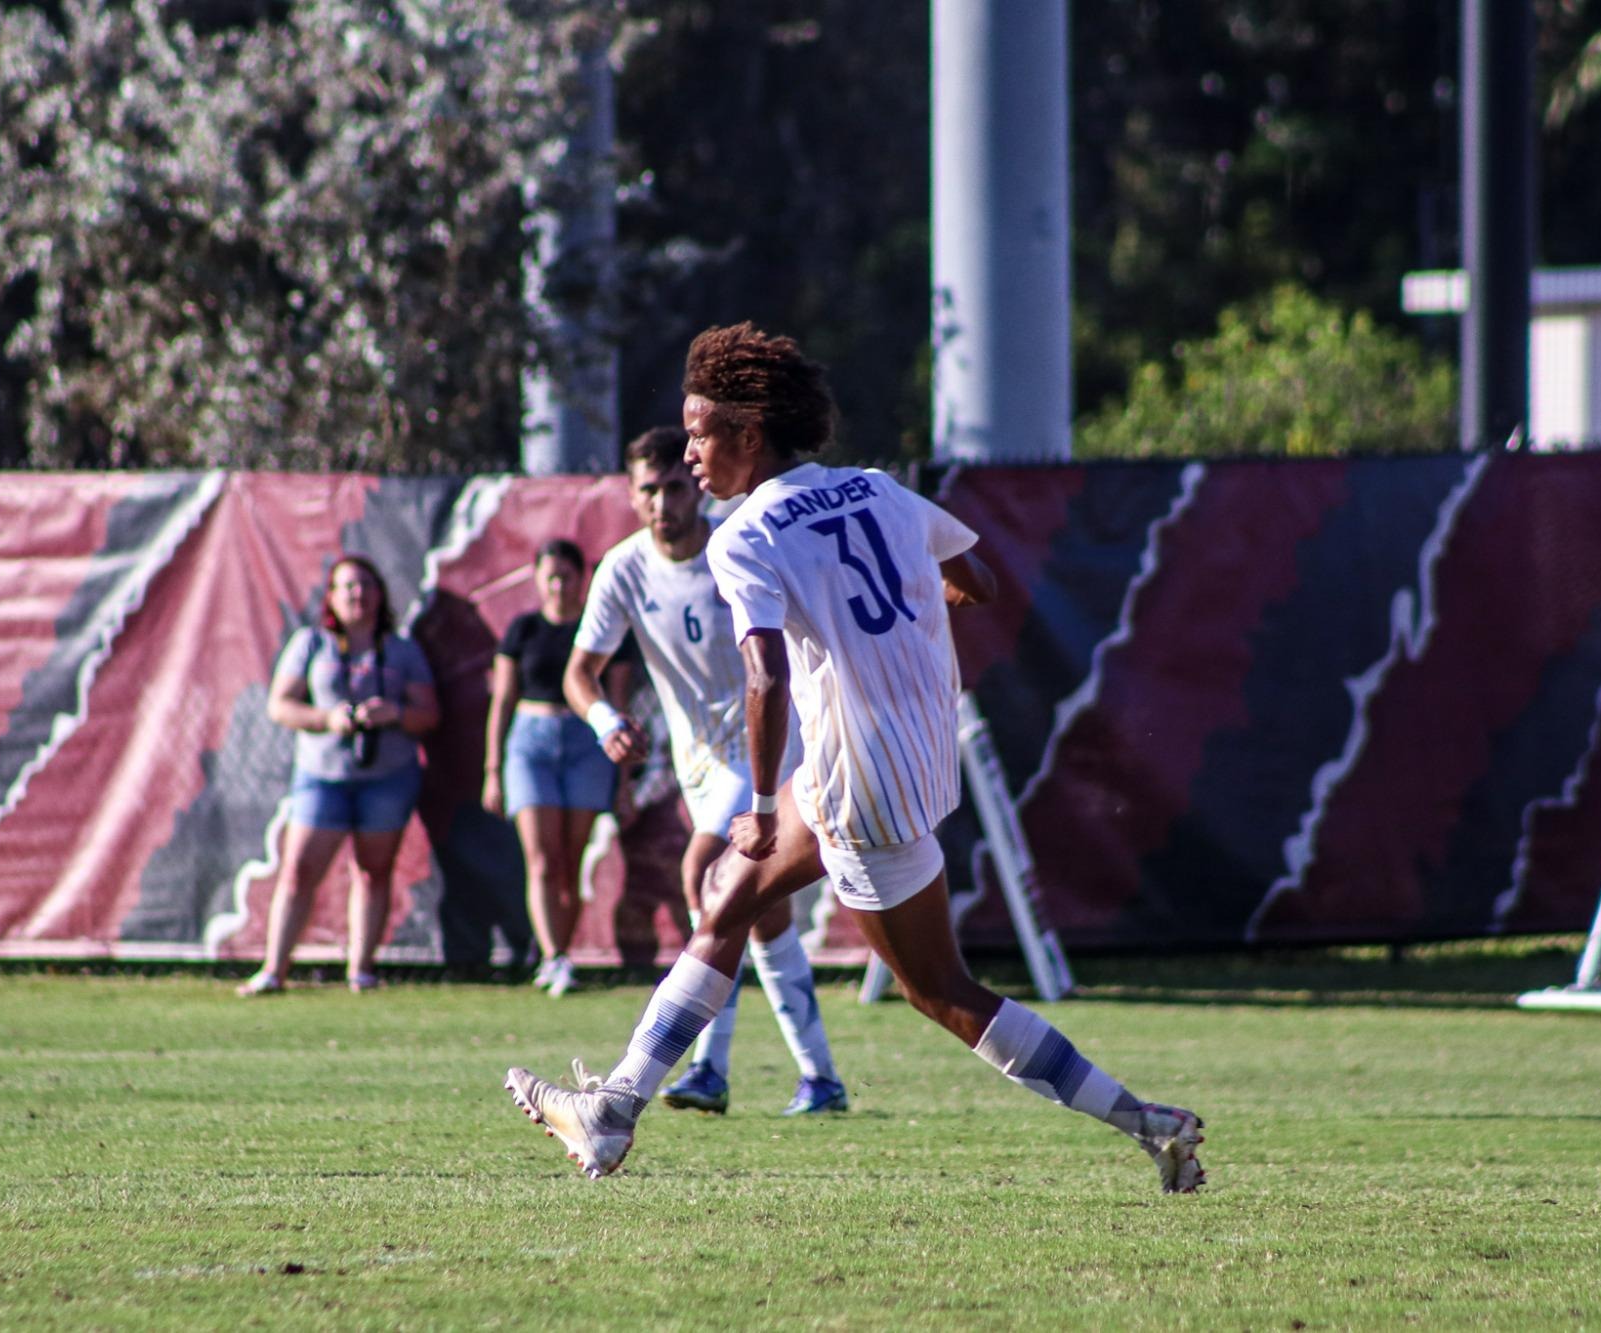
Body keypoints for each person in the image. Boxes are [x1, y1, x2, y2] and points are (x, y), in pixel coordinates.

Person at [505, 323, 1206, 1192]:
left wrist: (759, 803)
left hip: (853, 784)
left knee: (941, 990)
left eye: (698, 431)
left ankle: (1149, 1123)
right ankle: (613, 1109)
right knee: (726, 895)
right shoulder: (879, 488)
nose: (688, 453)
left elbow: (763, 671)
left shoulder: (742, 535)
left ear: (748, 435)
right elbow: (978, 579)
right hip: (910, 757)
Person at [563, 424, 847, 1116]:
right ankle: (820, 1077)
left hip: (771, 746)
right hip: (699, 765)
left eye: (675, 487)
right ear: (632, 498)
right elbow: (581, 673)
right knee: (762, 909)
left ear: (696, 487)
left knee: (706, 874)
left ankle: (709, 1068)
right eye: (649, 491)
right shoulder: (624, 569)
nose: (664, 503)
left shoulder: (735, 542)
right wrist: (606, 721)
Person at [240, 555, 440, 996]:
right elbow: (280, 705)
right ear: (331, 595)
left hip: (387, 777)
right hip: (322, 776)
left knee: (373, 871)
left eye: (366, 586)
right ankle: (274, 970)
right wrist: (329, 718)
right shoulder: (311, 644)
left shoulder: (402, 649)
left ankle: (361, 970)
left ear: (380, 594)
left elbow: (429, 714)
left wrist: (395, 713)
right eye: (347, 587)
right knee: (298, 871)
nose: (358, 595)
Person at [484, 538, 632, 997]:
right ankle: (551, 955)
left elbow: (620, 703)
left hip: (588, 742)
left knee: (571, 859)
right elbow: (503, 701)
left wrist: (623, 783)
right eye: (549, 576)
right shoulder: (522, 629)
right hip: (531, 742)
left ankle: (561, 955)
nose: (558, 586)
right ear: (536, 579)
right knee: (542, 859)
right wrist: (492, 768)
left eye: (566, 576)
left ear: (581, 579)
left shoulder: (602, 629)